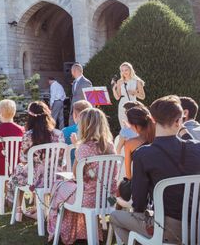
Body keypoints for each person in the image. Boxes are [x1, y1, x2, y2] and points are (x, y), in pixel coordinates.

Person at [110, 95, 200, 244]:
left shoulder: (143, 154)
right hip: (197, 228)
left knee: (115, 216)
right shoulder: (197, 148)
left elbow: (138, 204)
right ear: (179, 121)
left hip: (168, 229)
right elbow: (192, 142)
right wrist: (183, 130)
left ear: (152, 119)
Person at [47, 108, 117, 244]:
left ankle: (58, 231)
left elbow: (75, 174)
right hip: (108, 197)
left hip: (88, 199)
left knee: (58, 186)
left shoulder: (84, 148)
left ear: (85, 126)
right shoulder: (110, 146)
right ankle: (80, 231)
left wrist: (77, 148)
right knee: (70, 189)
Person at [7, 101, 65, 221]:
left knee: (18, 171)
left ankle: (18, 210)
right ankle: (39, 209)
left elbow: (23, 160)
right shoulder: (59, 134)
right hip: (56, 177)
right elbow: (61, 157)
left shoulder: (28, 135)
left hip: (35, 179)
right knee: (25, 170)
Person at [122, 104, 155, 179]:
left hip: (142, 185)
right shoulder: (158, 137)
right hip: (160, 182)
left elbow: (128, 175)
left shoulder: (129, 143)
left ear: (134, 125)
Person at [112, 62, 146, 129]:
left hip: (133, 104)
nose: (124, 72)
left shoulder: (137, 81)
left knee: (134, 126)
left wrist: (135, 92)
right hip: (122, 105)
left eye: (126, 70)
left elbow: (143, 97)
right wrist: (113, 89)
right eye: (122, 70)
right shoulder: (119, 81)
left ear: (130, 70)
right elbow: (117, 97)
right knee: (124, 127)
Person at [61, 100, 92, 165]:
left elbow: (60, 155)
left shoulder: (64, 132)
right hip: (93, 170)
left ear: (75, 115)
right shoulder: (98, 132)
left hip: (70, 169)